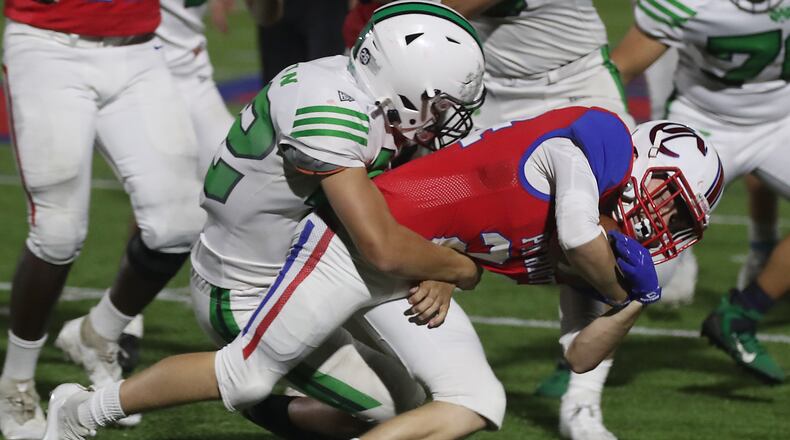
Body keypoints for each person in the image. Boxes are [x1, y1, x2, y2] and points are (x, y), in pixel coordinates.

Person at [43, 105, 727, 440]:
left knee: (472, 403)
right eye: (668, 198)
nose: (667, 222)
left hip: (412, 262)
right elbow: (576, 237)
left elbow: (580, 356)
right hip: (358, 238)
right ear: (641, 167)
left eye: (683, 218)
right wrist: (618, 282)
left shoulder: (612, 256)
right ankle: (79, 415)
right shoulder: (593, 142)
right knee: (246, 372)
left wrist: (637, 301)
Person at [0, 0, 205, 437]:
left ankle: (99, 334)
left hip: (141, 50)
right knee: (57, 231)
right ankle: (15, 381)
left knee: (180, 221)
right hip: (48, 47)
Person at [612, 0, 790, 384]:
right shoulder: (689, 3)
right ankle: (580, 362)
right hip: (704, 127)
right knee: (648, 249)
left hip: (781, 122)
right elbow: (618, 70)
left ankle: (740, 315)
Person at [59, 0, 239, 376]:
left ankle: (276, 330)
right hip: (142, 72)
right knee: (163, 201)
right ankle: (121, 322)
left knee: (248, 190)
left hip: (192, 74)